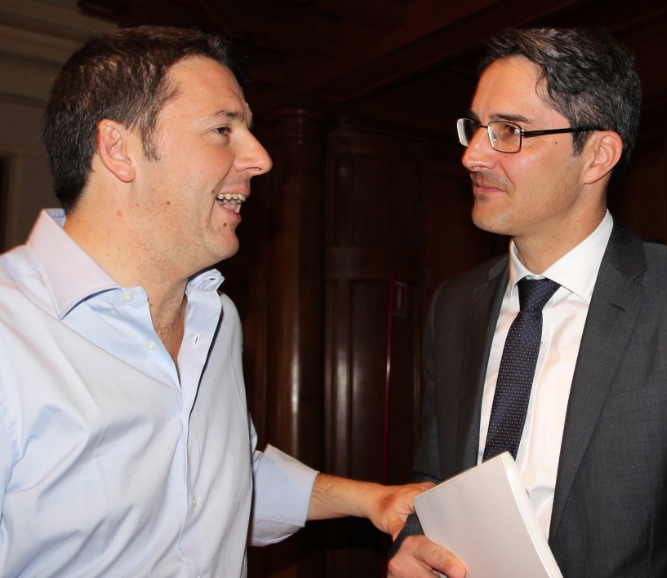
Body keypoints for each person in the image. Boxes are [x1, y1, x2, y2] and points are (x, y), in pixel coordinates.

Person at [0, 26, 429, 577]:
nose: (261, 158)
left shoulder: (216, 316)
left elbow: (215, 479)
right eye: (223, 129)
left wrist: (372, 499)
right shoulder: (11, 334)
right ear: (119, 150)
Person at [388, 27, 667, 577]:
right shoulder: (454, 305)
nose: (472, 155)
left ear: (597, 156)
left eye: (509, 131)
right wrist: (414, 546)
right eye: (476, 128)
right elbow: (436, 483)